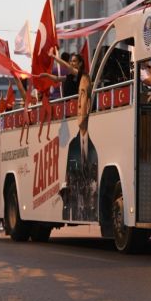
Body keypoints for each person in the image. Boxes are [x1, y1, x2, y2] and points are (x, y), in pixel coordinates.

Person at [62, 74, 98, 221]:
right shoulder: (73, 146)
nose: (77, 104)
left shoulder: (95, 149)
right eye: (77, 96)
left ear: (88, 105)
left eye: (82, 96)